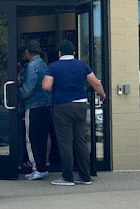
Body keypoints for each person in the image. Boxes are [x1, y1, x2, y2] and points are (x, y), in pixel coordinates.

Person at [42, 40, 106, 186]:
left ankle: (67, 177)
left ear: (59, 53)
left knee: (65, 143)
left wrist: (58, 88)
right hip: (81, 106)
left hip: (62, 107)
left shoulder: (53, 66)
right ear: (74, 53)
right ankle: (85, 176)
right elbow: (95, 82)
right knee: (80, 141)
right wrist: (102, 94)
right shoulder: (82, 65)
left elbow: (46, 86)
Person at [18, 39, 52, 180]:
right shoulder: (43, 64)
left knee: (31, 138)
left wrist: (16, 94)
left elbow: (29, 89)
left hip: (33, 105)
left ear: (27, 52)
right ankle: (42, 166)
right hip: (46, 104)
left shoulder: (32, 66)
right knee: (41, 137)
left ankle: (36, 168)